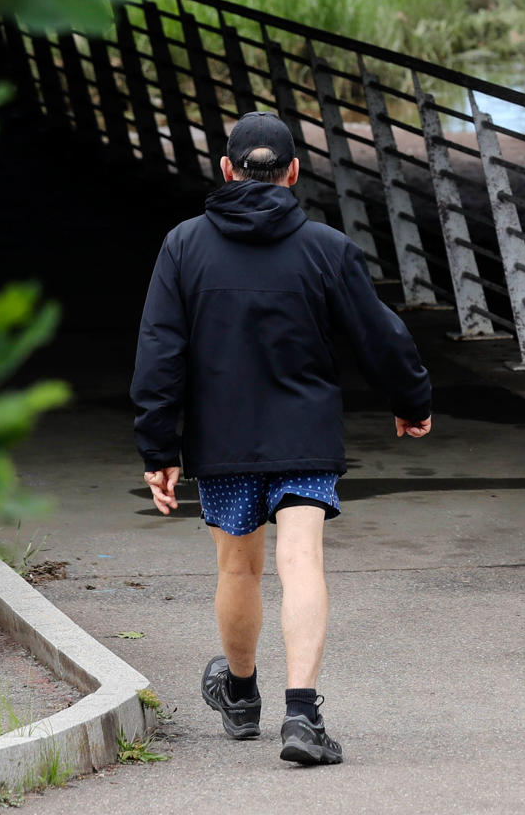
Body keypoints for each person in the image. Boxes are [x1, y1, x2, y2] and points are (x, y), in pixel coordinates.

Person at [132, 112, 433, 766]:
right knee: (301, 563)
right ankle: (303, 714)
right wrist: (412, 400)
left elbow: (159, 351)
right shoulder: (325, 248)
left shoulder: (184, 246)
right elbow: (379, 333)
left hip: (225, 438)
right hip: (304, 435)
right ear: (294, 173)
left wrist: (159, 448)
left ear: (226, 169)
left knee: (238, 567)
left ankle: (241, 697)